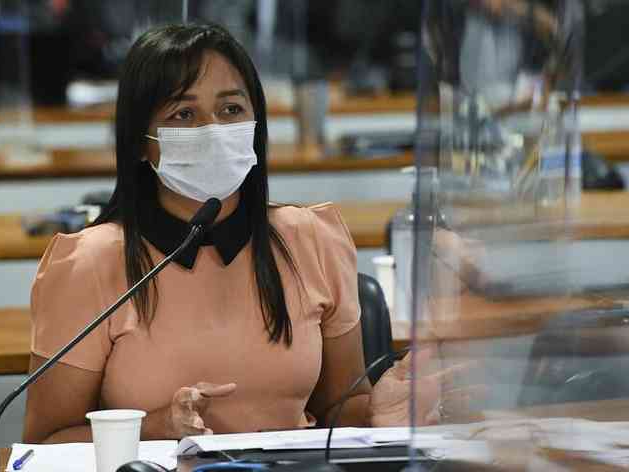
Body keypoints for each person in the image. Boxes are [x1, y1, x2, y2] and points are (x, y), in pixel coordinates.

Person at [23, 22, 461, 443]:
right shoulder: (91, 263)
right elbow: (46, 440)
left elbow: (337, 410)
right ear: (141, 140)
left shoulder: (311, 239)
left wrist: (374, 413)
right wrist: (153, 428)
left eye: (231, 109)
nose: (213, 129)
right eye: (184, 113)